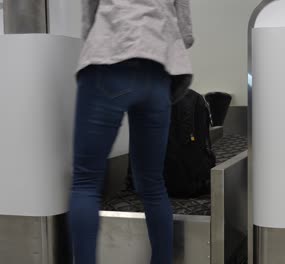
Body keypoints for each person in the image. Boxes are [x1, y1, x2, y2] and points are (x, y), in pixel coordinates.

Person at [69, 1, 194, 264]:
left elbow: (89, 12)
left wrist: (94, 33)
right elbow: (186, 31)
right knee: (152, 183)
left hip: (109, 56)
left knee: (86, 183)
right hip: (158, 68)